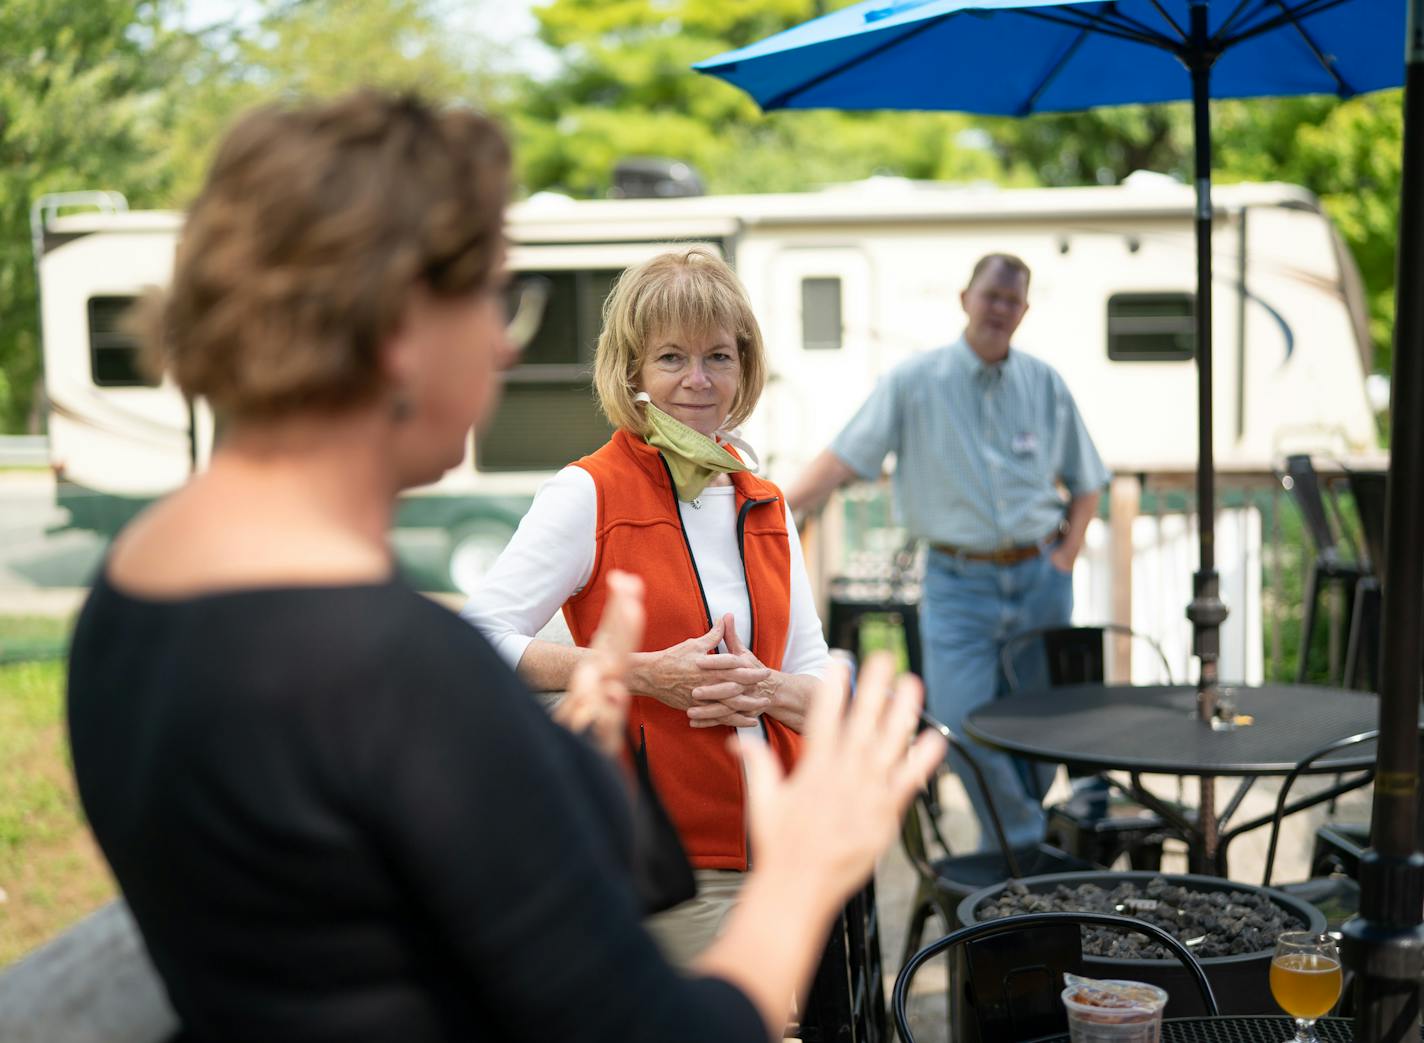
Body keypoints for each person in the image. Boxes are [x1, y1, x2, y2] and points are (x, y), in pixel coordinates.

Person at [65, 91, 946, 1043]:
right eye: (491, 296)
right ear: (398, 328)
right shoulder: (400, 674)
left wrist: (559, 763)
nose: (505, 341)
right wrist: (807, 868)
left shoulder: (129, 595)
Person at [464, 247, 831, 965]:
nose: (697, 380)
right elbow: (476, 642)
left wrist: (774, 689)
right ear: (633, 371)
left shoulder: (766, 501)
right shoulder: (588, 492)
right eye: (671, 357)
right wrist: (636, 671)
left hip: (782, 846)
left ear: (743, 368)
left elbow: (812, 668)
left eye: (718, 357)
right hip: (665, 862)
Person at [787, 252, 1109, 850]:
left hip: (1041, 579)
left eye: (1012, 300)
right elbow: (844, 458)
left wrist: (1066, 554)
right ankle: (1024, 841)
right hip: (958, 585)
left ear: (1024, 311)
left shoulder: (1045, 382)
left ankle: (1009, 853)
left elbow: (1088, 480)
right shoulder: (914, 382)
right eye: (990, 296)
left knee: (1039, 728)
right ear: (965, 298)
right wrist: (774, 505)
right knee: (960, 724)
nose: (999, 309)